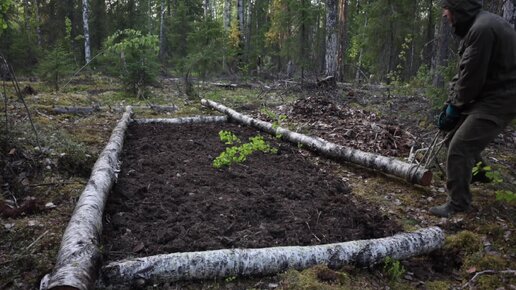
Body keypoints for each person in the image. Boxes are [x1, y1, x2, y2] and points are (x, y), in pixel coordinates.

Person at [430, 0, 516, 217]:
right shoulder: (481, 26)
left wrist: (455, 107)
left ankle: (458, 203)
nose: (444, 15)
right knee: (453, 137)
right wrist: (451, 103)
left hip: (500, 100)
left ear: (459, 10)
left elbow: (470, 80)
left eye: (447, 9)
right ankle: (479, 176)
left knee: (459, 147)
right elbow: (466, 72)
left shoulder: (482, 30)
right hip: (493, 95)